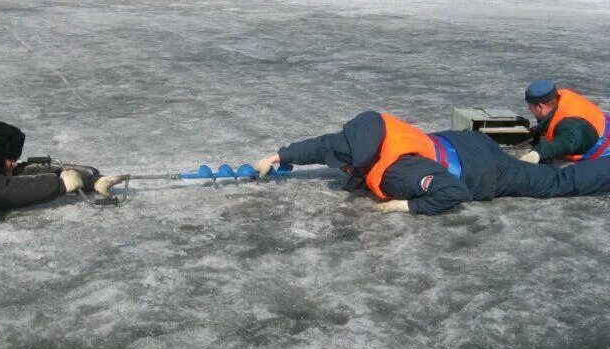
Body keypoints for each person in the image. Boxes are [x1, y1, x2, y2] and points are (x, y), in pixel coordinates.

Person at [253, 110, 610, 216]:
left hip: (483, 171)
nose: (339, 167)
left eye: (342, 166)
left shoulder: (397, 173)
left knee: (556, 183)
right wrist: (279, 156)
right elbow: (322, 146)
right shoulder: (365, 134)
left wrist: (404, 206)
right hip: (459, 142)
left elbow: (452, 192)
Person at [520, 80, 610, 163]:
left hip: (604, 156)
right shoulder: (558, 99)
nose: (529, 109)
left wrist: (536, 154)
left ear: (540, 107)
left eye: (530, 107)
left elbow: (566, 143)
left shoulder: (570, 124)